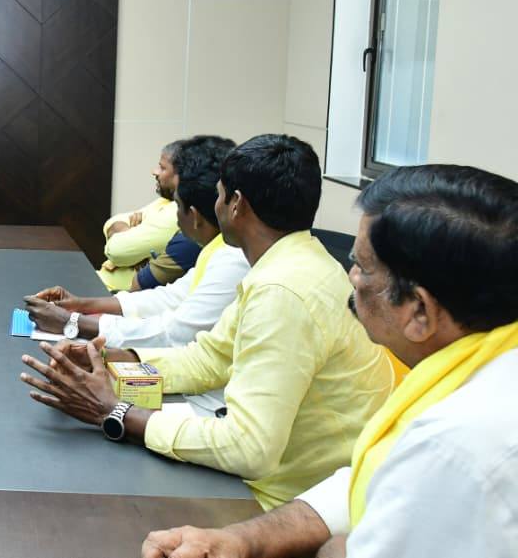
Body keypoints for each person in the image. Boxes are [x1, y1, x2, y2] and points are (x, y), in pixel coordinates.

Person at [141, 164, 518, 558]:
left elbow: (380, 511)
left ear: (419, 312)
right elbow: (368, 480)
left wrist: (337, 550)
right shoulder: (481, 365)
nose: (351, 276)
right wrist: (243, 539)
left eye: (364, 267)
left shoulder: (454, 445)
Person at [20, 134, 393, 510]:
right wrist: (111, 364)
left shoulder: (283, 290)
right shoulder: (291, 265)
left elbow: (249, 448)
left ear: (236, 204)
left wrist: (116, 412)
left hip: (280, 502)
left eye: (219, 194)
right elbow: (209, 359)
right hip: (280, 482)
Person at [24, 136, 245, 351]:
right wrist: (81, 305)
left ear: (195, 216)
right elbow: (170, 298)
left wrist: (73, 322)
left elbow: (176, 334)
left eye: (177, 205)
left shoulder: (234, 258)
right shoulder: (218, 248)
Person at [98, 141, 198, 291]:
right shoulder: (165, 201)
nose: (154, 172)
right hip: (103, 284)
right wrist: (127, 232)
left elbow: (116, 251)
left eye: (162, 168)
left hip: (115, 294)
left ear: (182, 176)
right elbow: (112, 222)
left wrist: (125, 234)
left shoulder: (176, 212)